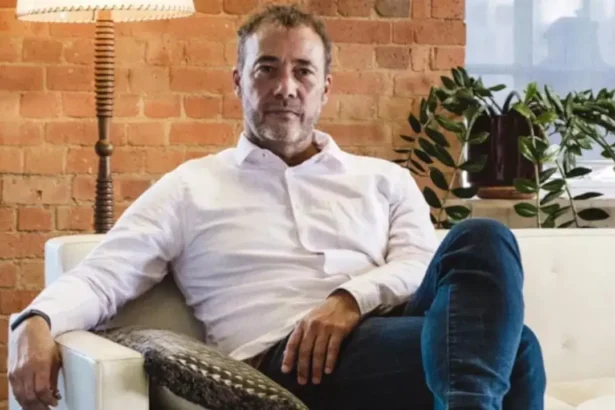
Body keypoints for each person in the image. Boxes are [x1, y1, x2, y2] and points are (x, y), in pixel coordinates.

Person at [7, 4, 546, 410]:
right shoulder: (189, 187)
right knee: (516, 349)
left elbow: (418, 265)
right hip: (286, 362)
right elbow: (103, 275)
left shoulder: (384, 179)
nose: (285, 87)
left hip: (394, 324)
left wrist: (349, 300)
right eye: (266, 69)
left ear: (325, 88)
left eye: (303, 71)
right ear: (238, 82)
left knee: (483, 237)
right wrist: (36, 320)